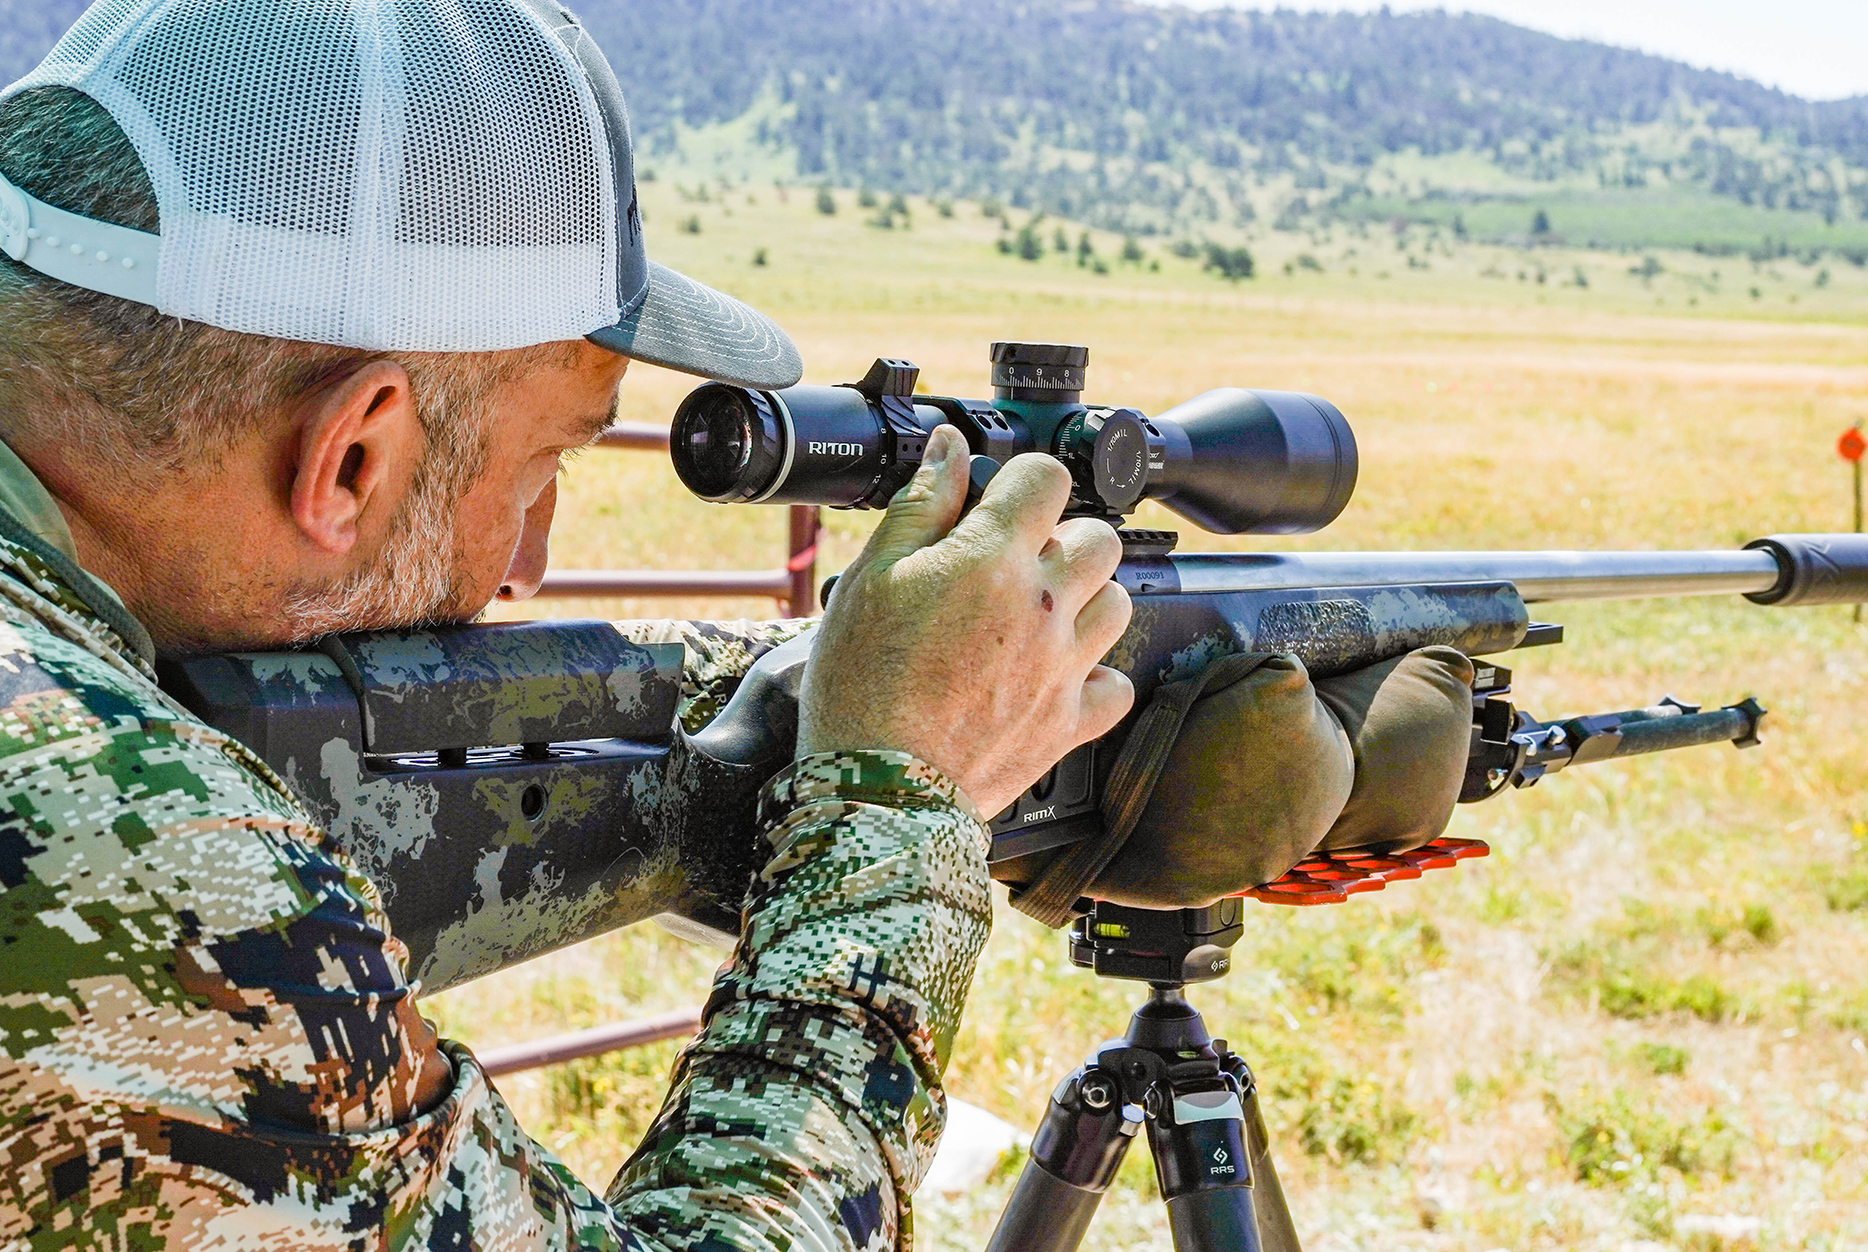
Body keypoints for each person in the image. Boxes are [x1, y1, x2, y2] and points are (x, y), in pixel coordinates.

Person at [0, 2, 1466, 1249]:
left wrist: (886, 690)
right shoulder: (125, 840)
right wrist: (904, 808)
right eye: (544, 468)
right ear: (357, 457)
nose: (535, 554)